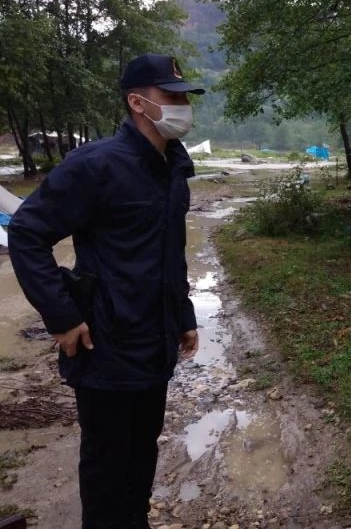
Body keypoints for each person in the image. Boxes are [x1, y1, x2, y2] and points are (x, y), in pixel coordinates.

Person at [8, 54, 205, 529]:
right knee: (107, 466)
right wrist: (61, 316)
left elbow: (170, 252)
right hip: (106, 346)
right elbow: (27, 233)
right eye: (171, 96)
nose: (182, 106)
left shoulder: (174, 167)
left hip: (154, 344)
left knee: (141, 454)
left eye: (184, 97)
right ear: (137, 102)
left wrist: (183, 314)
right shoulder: (94, 165)